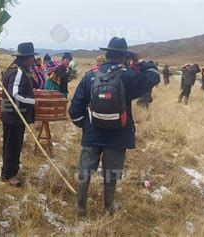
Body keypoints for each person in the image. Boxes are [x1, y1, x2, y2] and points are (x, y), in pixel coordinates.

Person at [69, 37, 160, 216]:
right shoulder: (128, 77)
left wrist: (86, 126)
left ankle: (80, 208)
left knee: (85, 172)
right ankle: (108, 208)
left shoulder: (90, 76)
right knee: (111, 174)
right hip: (119, 134)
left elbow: (75, 109)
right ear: (124, 57)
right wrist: (138, 61)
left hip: (92, 134)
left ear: (107, 54)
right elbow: (154, 76)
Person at [1, 42, 38, 186]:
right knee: (12, 146)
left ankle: (10, 170)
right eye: (32, 58)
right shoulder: (18, 72)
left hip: (13, 115)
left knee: (13, 145)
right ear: (27, 58)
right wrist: (31, 102)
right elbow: (14, 94)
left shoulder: (16, 69)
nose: (33, 61)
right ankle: (9, 175)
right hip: (14, 115)